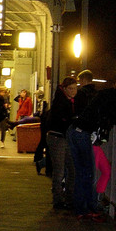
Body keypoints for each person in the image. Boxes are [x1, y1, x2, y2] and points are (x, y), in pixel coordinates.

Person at [67, 76, 116, 222]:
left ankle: (81, 208)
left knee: (81, 173)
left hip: (74, 131)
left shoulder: (106, 94)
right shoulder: (114, 100)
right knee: (88, 173)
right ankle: (88, 208)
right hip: (83, 134)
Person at [45, 76, 78, 208]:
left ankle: (64, 198)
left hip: (61, 136)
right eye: (70, 88)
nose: (73, 91)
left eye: (75, 88)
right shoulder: (63, 102)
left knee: (67, 168)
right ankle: (60, 199)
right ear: (65, 89)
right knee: (62, 169)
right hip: (58, 137)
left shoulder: (63, 100)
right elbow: (62, 119)